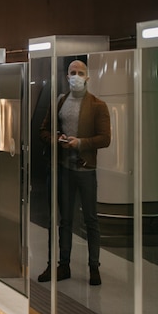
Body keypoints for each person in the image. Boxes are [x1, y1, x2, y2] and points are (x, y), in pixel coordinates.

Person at [38, 60, 111, 286]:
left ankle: (94, 267)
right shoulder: (60, 101)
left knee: (91, 219)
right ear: (67, 76)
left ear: (87, 78)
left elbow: (105, 139)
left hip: (86, 170)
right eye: (73, 73)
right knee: (65, 219)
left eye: (80, 73)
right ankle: (63, 264)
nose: (76, 76)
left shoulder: (98, 105)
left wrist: (80, 143)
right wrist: (57, 140)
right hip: (63, 170)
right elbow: (44, 130)